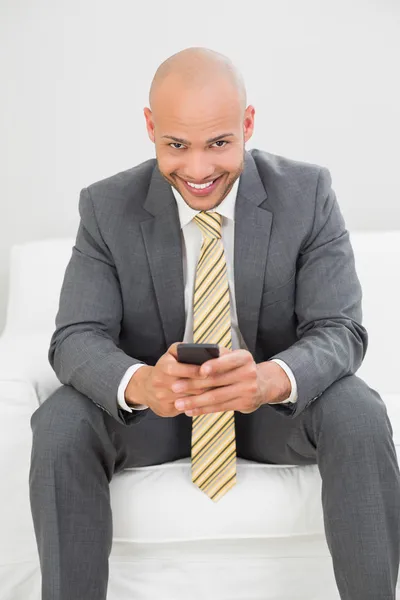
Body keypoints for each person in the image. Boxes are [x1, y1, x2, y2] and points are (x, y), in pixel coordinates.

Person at [29, 46, 400, 599]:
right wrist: (142, 383)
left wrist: (270, 378)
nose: (198, 171)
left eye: (220, 144)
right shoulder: (106, 207)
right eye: (176, 146)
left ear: (247, 124)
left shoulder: (308, 194)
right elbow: (76, 337)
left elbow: (339, 329)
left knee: (358, 410)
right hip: (156, 415)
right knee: (60, 419)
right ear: (151, 128)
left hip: (270, 412)